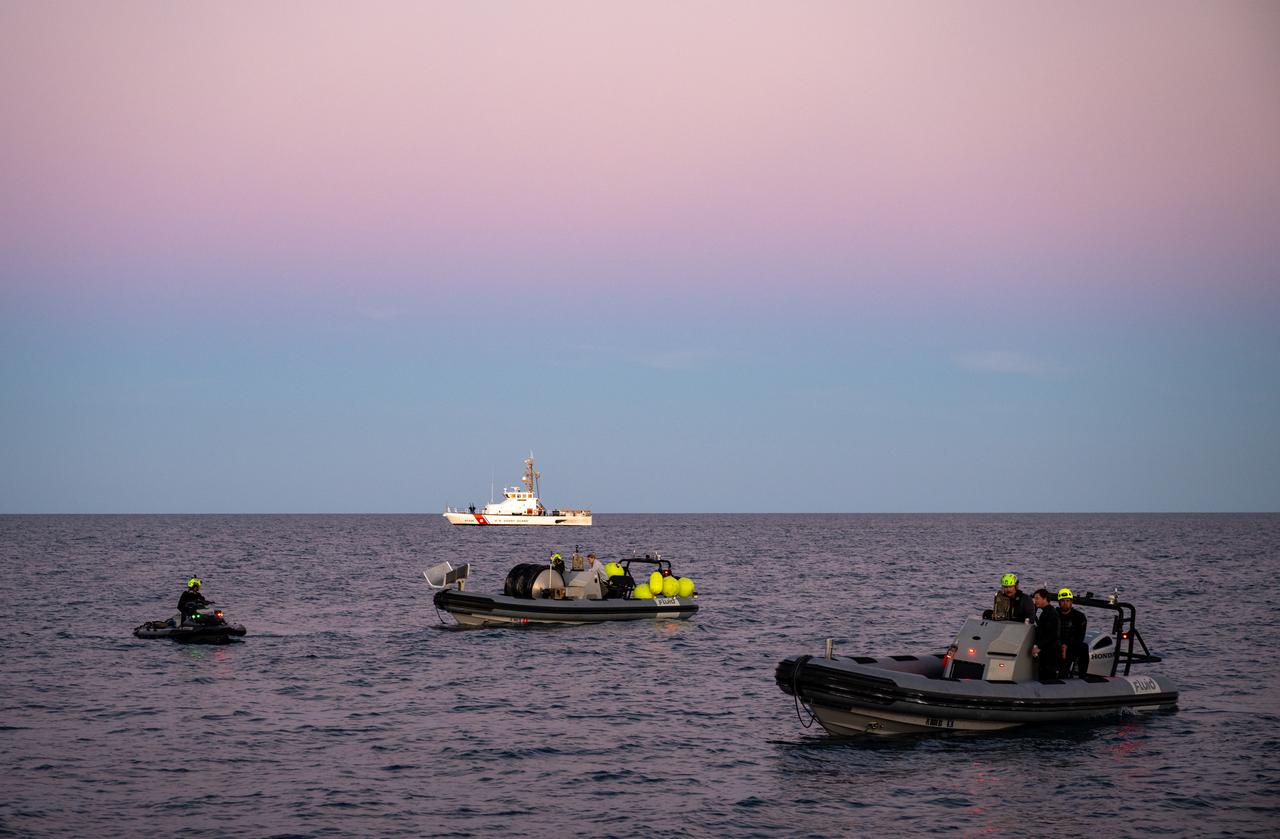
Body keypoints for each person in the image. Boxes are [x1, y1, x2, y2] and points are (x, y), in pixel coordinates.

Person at [1057, 588, 1090, 678]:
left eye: (1068, 601)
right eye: (1063, 601)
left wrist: (1066, 645)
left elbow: (1079, 636)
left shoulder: (1079, 617)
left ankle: (1082, 676)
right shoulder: (1054, 614)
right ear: (1059, 602)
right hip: (1056, 644)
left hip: (1072, 645)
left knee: (1083, 647)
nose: (1065, 603)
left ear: (1071, 602)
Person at [1031, 588, 1061, 683]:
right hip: (1047, 650)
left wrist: (1039, 646)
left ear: (1045, 599)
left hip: (1050, 652)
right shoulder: (1045, 612)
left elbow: (1052, 634)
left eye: (1037, 598)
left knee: (1048, 676)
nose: (1035, 601)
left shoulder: (1051, 613)